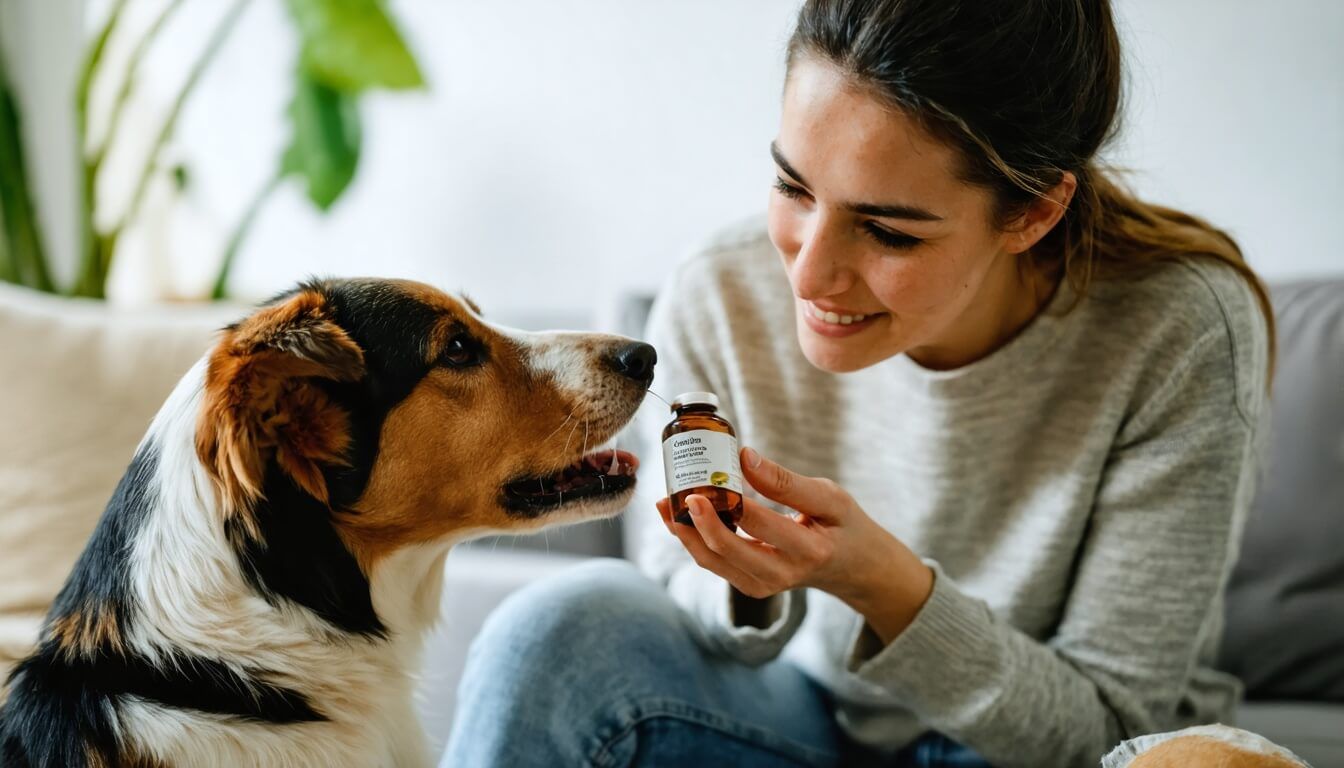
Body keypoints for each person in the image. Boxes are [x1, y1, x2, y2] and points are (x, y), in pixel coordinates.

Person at [442, 0, 1273, 765]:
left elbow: (1109, 726)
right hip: (797, 714)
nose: (808, 274)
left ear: (1032, 214)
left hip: (1026, 748)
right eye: (791, 187)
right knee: (552, 630)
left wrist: (880, 582)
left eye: (885, 231)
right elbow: (676, 595)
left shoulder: (1178, 328)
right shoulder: (719, 293)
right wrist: (747, 585)